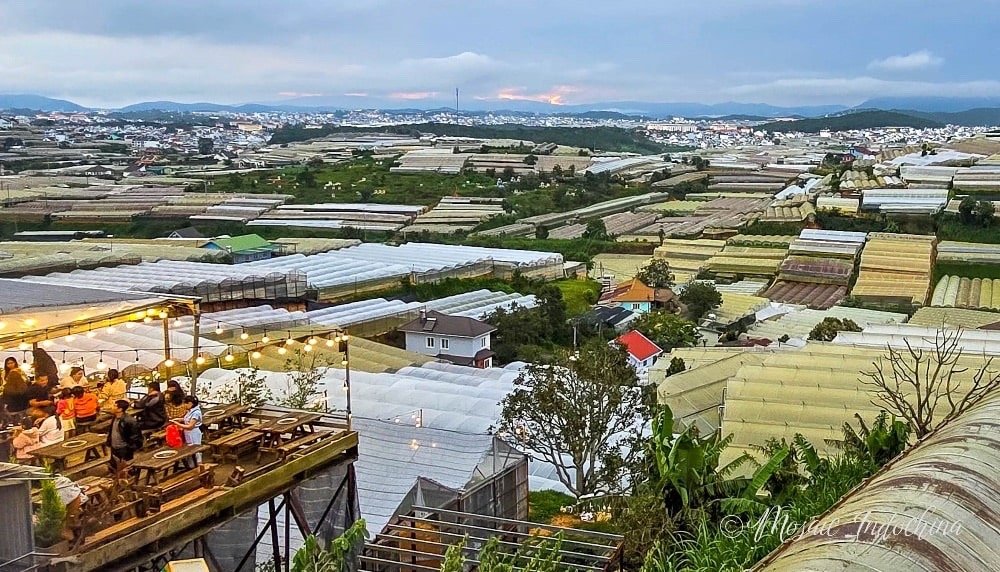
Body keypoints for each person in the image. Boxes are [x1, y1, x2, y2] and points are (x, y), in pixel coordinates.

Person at [107, 399, 143, 470]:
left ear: (120, 409)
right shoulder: (114, 417)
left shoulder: (130, 421)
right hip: (114, 447)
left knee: (126, 469)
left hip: (124, 449)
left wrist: (129, 448)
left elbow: (135, 436)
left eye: (114, 406)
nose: (112, 407)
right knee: (113, 468)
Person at [170, 395, 203, 465]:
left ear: (190, 403)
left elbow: (190, 426)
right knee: (189, 450)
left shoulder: (196, 413)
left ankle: (199, 466)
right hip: (188, 433)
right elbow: (188, 419)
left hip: (194, 433)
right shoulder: (191, 411)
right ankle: (191, 465)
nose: (184, 405)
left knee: (196, 451)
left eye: (186, 403)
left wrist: (177, 424)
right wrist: (179, 419)